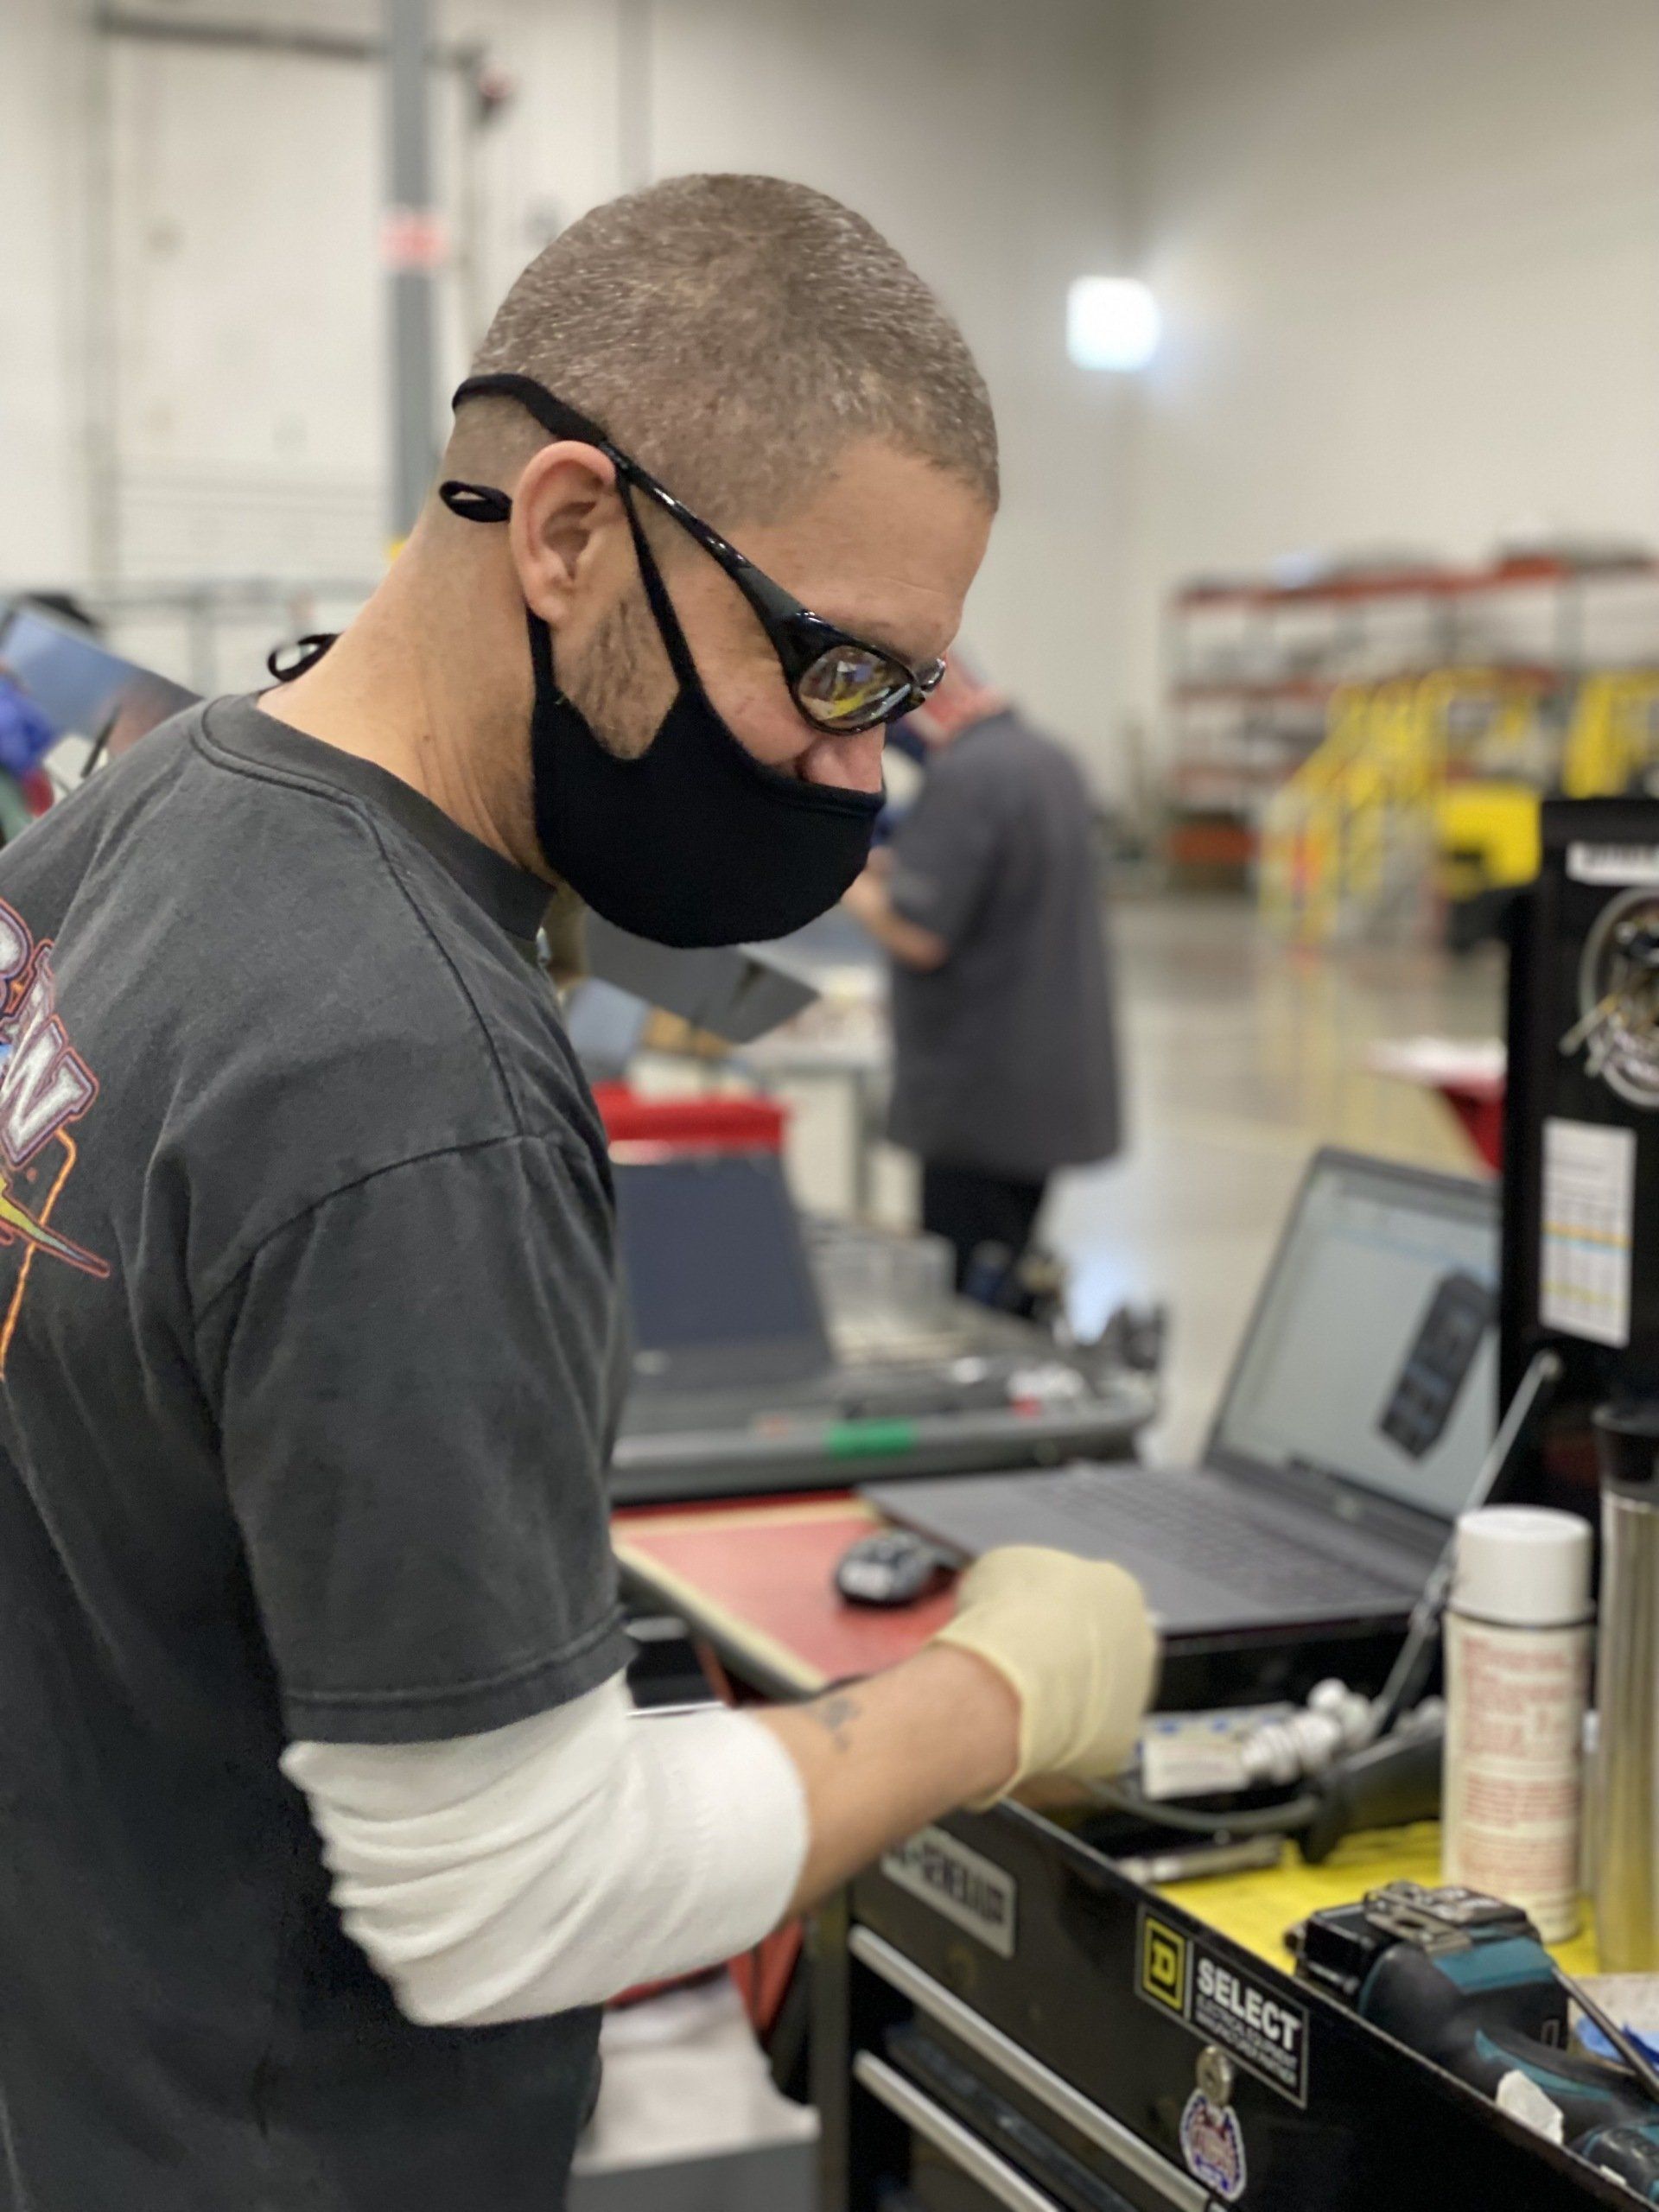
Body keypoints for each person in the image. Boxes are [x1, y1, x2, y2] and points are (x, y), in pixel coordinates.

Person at [0, 175, 1155, 2212]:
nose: (846, 773)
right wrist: (991, 1694)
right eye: (829, 666)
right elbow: (505, 1892)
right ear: (562, 529)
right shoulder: (405, 1074)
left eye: (901, 698)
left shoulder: (158, 801)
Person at [843, 658, 1122, 1294]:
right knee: (1007, 1266)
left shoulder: (968, 774)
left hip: (977, 1093)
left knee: (965, 1289)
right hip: (1038, 1083)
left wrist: (847, 880)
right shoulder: (1048, 759)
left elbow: (920, 935)